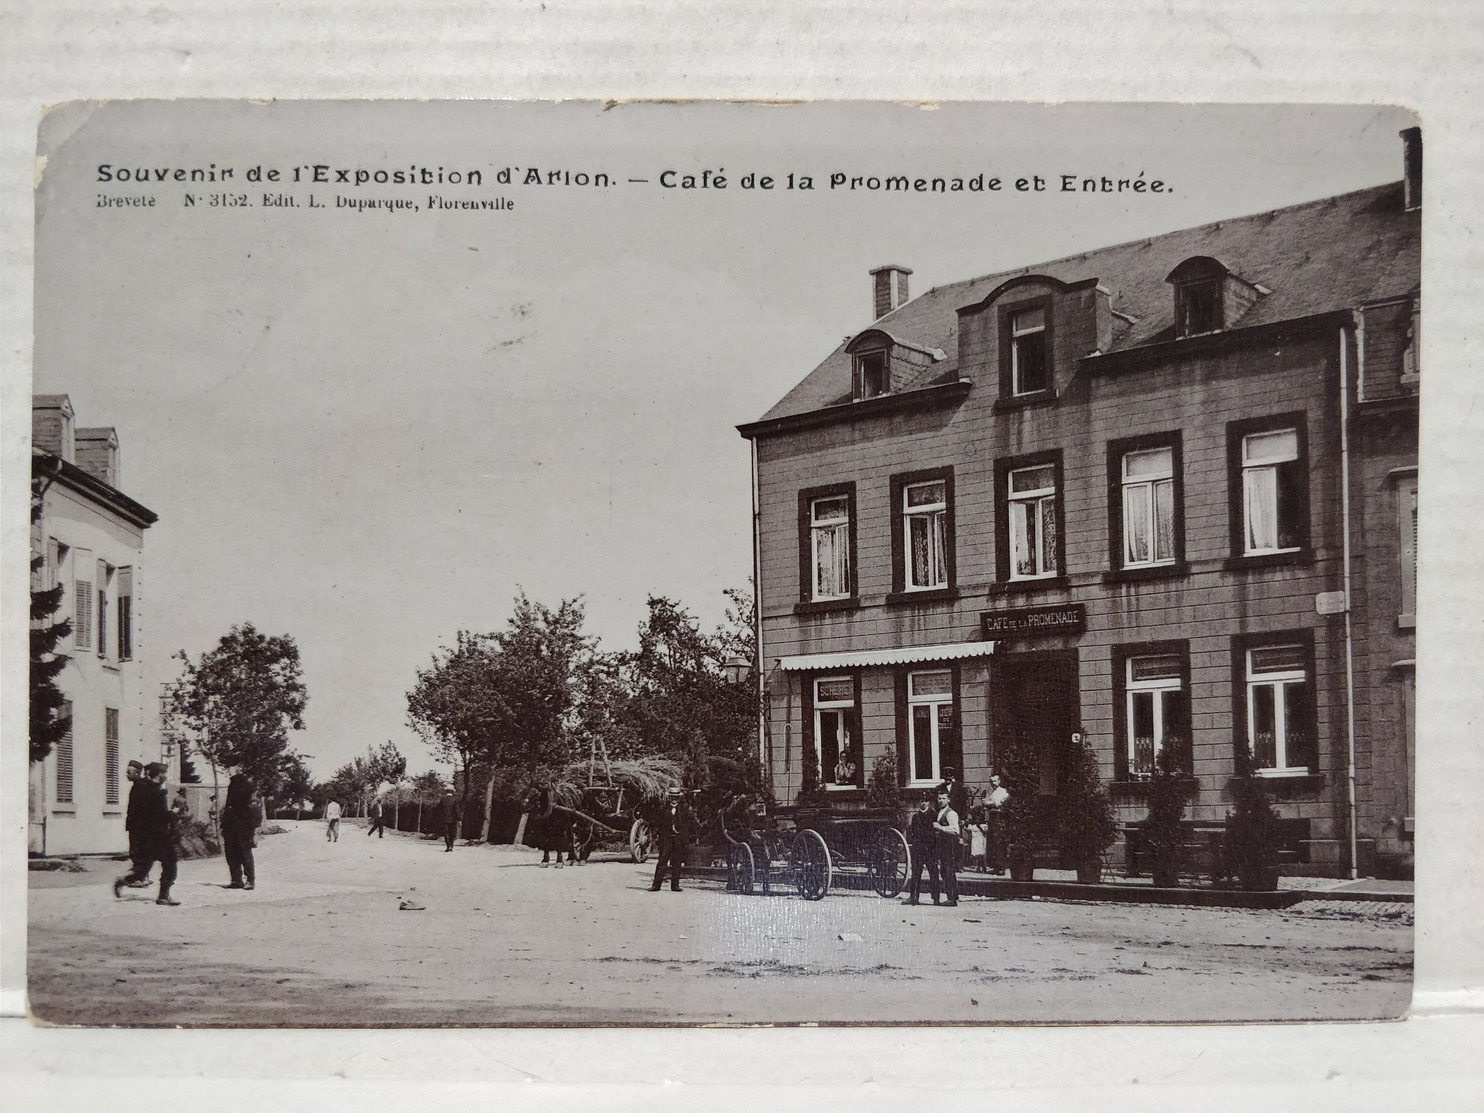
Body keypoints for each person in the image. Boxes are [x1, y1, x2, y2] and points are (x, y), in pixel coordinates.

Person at [113, 763, 179, 905]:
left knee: (144, 867)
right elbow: (159, 816)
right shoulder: (157, 792)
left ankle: (123, 880)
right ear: (158, 774)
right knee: (170, 863)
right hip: (158, 835)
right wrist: (172, 814)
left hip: (145, 836)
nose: (165, 776)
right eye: (164, 774)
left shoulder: (141, 788)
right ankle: (163, 896)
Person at [647, 787, 693, 893]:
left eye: (676, 797)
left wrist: (685, 837)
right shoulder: (663, 808)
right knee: (662, 861)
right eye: (672, 797)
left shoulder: (685, 808)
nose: (674, 799)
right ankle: (656, 885)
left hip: (678, 838)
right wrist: (658, 835)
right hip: (665, 838)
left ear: (679, 798)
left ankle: (675, 885)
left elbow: (688, 824)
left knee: (677, 862)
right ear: (669, 797)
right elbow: (657, 823)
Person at [220, 773, 258, 890]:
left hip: (244, 830)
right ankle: (236, 880)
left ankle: (250, 880)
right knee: (231, 854)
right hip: (231, 828)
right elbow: (227, 813)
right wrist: (224, 828)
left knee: (245, 854)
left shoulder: (248, 800)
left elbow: (254, 817)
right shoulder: (232, 802)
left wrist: (254, 832)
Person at [903, 791, 940, 905]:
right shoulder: (915, 817)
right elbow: (912, 832)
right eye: (921, 801)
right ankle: (914, 897)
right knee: (916, 873)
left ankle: (936, 898)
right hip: (918, 848)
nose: (923, 803)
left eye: (925, 801)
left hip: (930, 848)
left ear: (929, 802)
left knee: (933, 873)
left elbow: (937, 833)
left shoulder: (934, 815)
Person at [122, 760, 152, 888]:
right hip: (140, 826)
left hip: (138, 827)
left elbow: (142, 809)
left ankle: (140, 879)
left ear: (138, 772)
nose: (127, 774)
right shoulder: (140, 785)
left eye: (129, 772)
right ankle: (144, 877)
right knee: (141, 852)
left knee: (137, 852)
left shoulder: (140, 786)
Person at [933, 785, 961, 906]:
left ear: (948, 799)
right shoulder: (940, 812)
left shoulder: (951, 813)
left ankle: (952, 898)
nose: (941, 801)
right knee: (945, 870)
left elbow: (955, 830)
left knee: (948, 870)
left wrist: (941, 828)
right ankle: (953, 895)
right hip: (942, 846)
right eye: (939, 798)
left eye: (943, 798)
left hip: (950, 846)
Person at [985, 773, 1010, 875]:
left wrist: (990, 803)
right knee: (992, 843)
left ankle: (1001, 867)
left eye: (995, 781)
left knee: (1000, 843)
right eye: (991, 781)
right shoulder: (990, 792)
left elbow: (1000, 803)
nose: (993, 783)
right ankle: (995, 866)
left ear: (999, 781)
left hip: (1000, 819)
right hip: (992, 819)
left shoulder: (1003, 792)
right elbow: (985, 802)